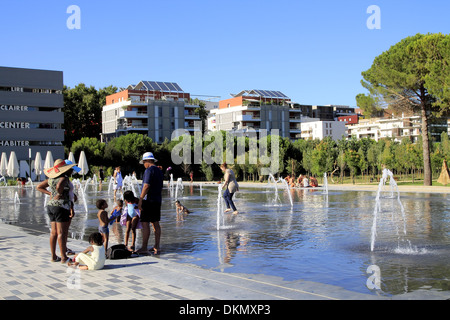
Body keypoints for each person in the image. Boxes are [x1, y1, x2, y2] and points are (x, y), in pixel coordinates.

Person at [36, 159, 81, 263]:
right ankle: (63, 257)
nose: (71, 171)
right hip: (61, 207)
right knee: (61, 232)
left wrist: (50, 194)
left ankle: (53, 256)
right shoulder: (64, 178)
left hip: (50, 206)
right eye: (70, 169)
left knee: (53, 232)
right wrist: (59, 193)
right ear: (64, 170)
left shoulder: (51, 178)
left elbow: (39, 187)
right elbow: (59, 186)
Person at [138, 152, 163, 255]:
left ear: (146, 161)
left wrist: (140, 199)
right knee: (156, 223)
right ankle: (157, 246)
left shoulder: (149, 170)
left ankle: (144, 247)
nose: (144, 165)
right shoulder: (159, 170)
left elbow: (146, 186)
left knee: (145, 223)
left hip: (149, 200)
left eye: (144, 163)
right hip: (157, 200)